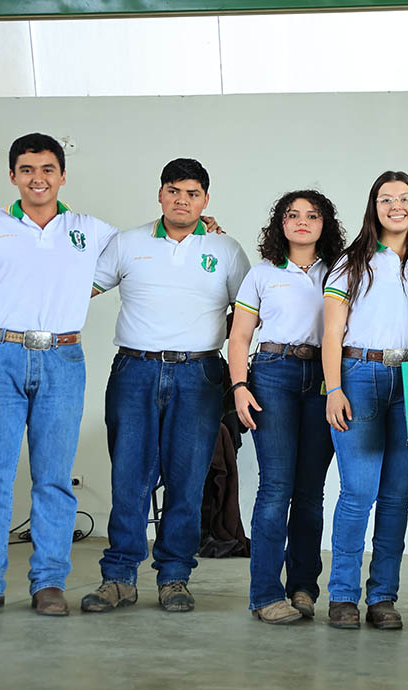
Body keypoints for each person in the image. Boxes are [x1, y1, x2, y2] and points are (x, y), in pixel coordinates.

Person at [0, 133, 119, 617]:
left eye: (47, 169)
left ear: (62, 175)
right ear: (13, 175)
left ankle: (49, 583)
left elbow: (143, 251)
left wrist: (203, 226)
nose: (37, 178)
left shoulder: (90, 230)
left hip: (62, 359)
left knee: (54, 478)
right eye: (26, 170)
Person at [81, 158, 249, 613]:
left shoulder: (226, 249)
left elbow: (250, 311)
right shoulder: (128, 242)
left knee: (187, 480)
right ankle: (119, 577)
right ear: (160, 194)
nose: (182, 200)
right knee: (129, 478)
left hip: (199, 374)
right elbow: (81, 289)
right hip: (134, 370)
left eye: (192, 193)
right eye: (173, 191)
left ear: (205, 200)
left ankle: (174, 577)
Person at [321, 170, 408, 630]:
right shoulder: (351, 264)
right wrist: (334, 389)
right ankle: (343, 596)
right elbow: (332, 333)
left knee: (396, 497)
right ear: (374, 207)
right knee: (358, 493)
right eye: (386, 199)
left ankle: (383, 597)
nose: (396, 207)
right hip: (360, 376)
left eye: (405, 198)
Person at [228, 190, 344, 624]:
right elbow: (240, 336)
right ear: (280, 223)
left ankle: (303, 588)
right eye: (292, 215)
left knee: (311, 491)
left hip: (324, 379)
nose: (302, 222)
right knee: (276, 487)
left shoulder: (340, 271)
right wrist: (239, 386)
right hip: (272, 374)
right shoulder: (262, 273)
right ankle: (265, 594)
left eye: (312, 215)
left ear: (324, 224)